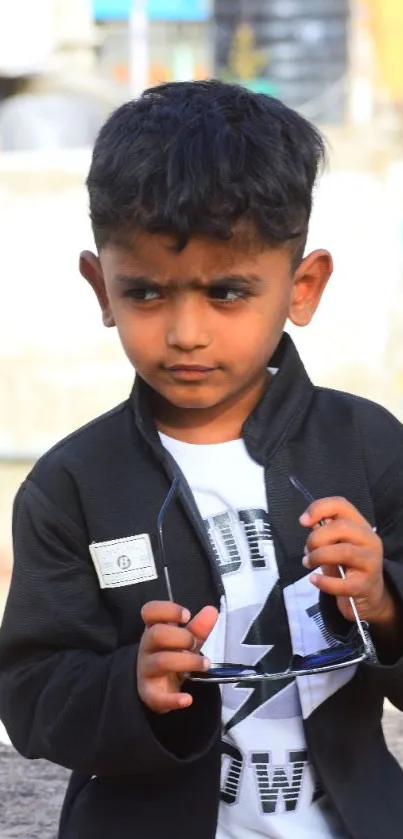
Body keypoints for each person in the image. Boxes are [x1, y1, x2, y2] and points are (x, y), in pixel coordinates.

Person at [0, 80, 403, 839]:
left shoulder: (367, 445)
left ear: (303, 286)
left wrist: (383, 602)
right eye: (147, 293)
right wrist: (130, 684)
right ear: (101, 288)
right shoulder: (72, 485)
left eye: (226, 292)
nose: (186, 332)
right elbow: (30, 694)